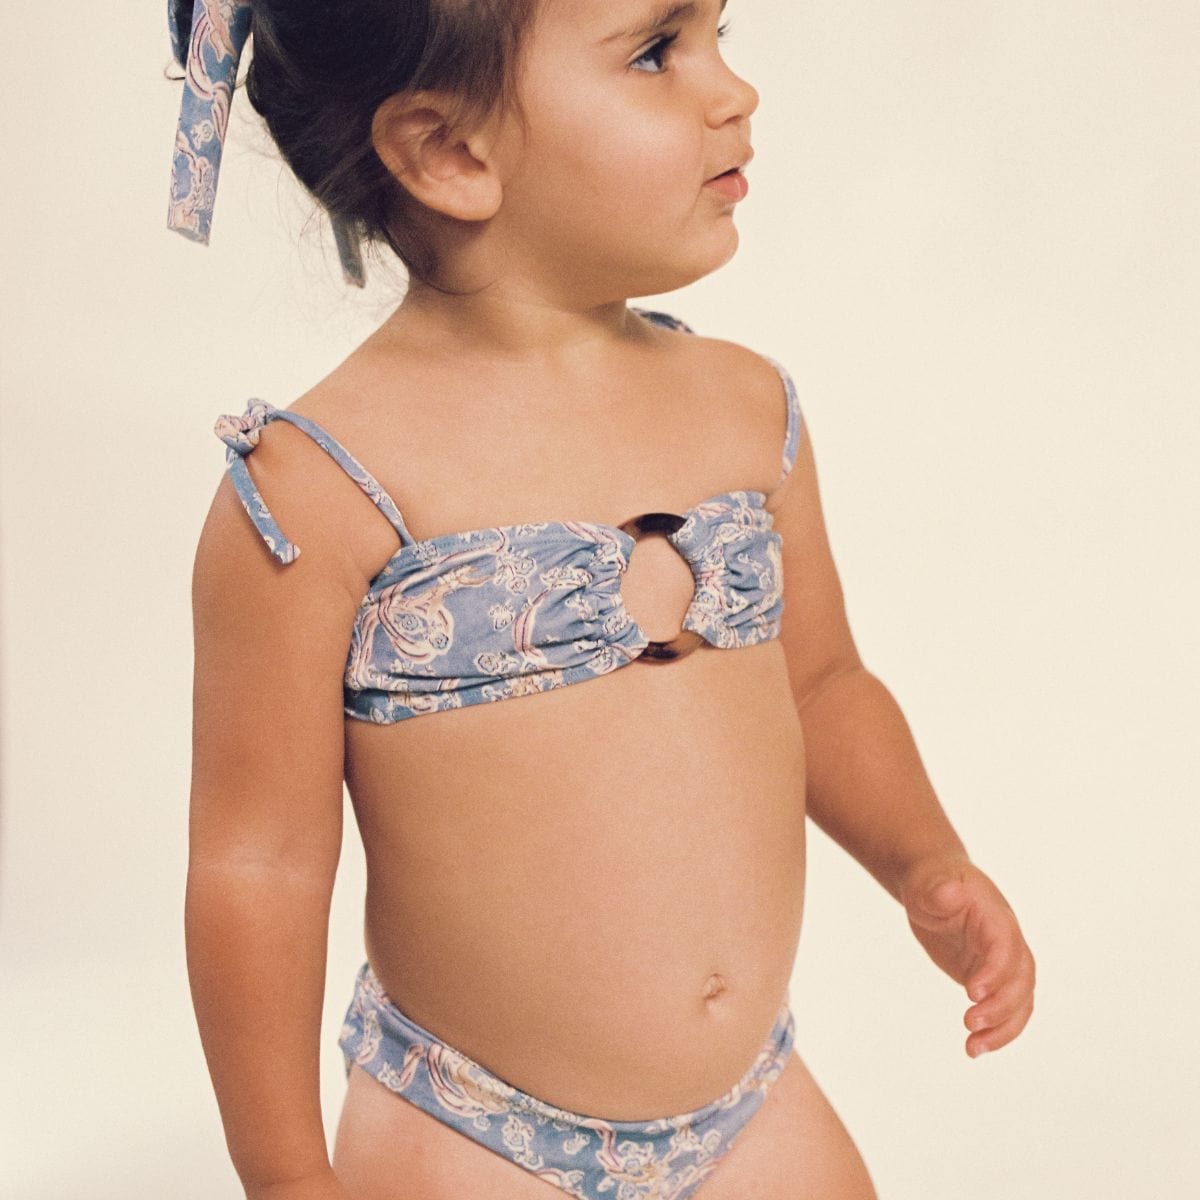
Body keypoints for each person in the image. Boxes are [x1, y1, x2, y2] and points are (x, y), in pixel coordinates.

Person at [175, 2, 1037, 1198]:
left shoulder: (745, 406)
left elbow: (826, 685)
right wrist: (286, 1178)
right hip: (472, 1133)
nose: (733, 91)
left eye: (722, 34)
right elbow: (258, 865)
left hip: (753, 1106)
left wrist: (925, 859)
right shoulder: (322, 489)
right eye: (656, 51)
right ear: (450, 152)